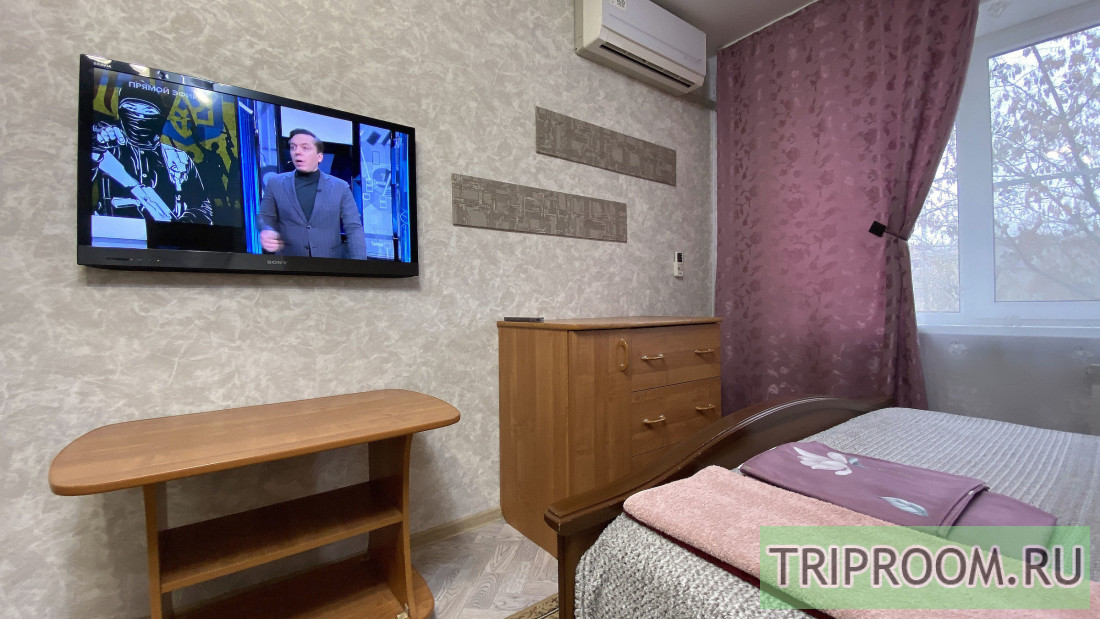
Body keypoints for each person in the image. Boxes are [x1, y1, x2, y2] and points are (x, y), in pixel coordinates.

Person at [90, 82, 214, 224]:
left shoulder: (178, 158)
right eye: (130, 108)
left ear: (159, 116)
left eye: (148, 111)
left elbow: (202, 207)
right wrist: (96, 148)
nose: (138, 115)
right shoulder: (105, 150)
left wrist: (184, 225)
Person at [258, 129, 367, 259]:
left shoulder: (340, 187)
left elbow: (353, 228)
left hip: (328, 264)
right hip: (287, 263)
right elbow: (265, 216)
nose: (297, 152)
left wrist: (360, 264)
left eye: (305, 148)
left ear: (319, 156)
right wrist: (267, 229)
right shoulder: (275, 183)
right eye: (293, 147)